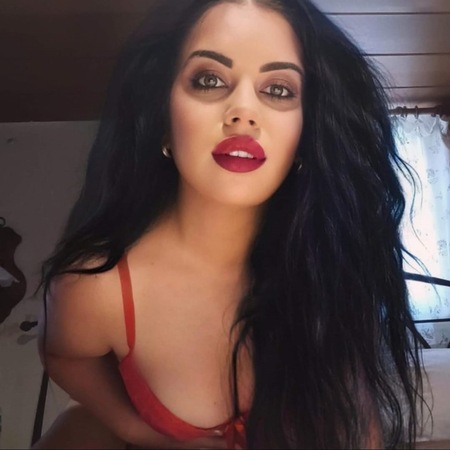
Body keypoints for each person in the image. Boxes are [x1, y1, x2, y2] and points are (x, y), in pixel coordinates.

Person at [36, 0, 425, 448]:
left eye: (278, 89)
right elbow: (65, 356)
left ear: (306, 135)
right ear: (163, 117)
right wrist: (140, 432)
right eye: (209, 80)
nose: (243, 111)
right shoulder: (98, 286)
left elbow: (358, 412)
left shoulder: (331, 268)